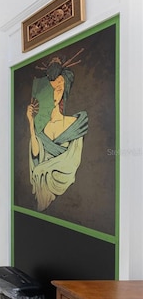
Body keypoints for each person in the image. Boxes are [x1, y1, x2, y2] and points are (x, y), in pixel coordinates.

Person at [26, 55, 88, 211]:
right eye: (51, 88)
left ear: (65, 90)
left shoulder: (74, 125)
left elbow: (71, 163)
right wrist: (31, 124)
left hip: (70, 197)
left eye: (59, 87)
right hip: (42, 192)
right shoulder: (41, 127)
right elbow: (36, 155)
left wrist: (44, 169)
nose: (55, 93)